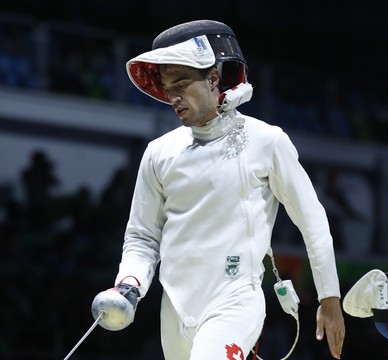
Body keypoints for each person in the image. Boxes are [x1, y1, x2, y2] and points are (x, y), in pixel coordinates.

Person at [95, 20, 345, 359]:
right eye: (168, 88)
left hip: (235, 298)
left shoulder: (266, 141)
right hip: (175, 306)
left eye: (182, 83)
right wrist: (130, 283)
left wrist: (329, 297)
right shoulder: (159, 152)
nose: (173, 97)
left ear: (213, 79)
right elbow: (142, 237)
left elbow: (312, 220)